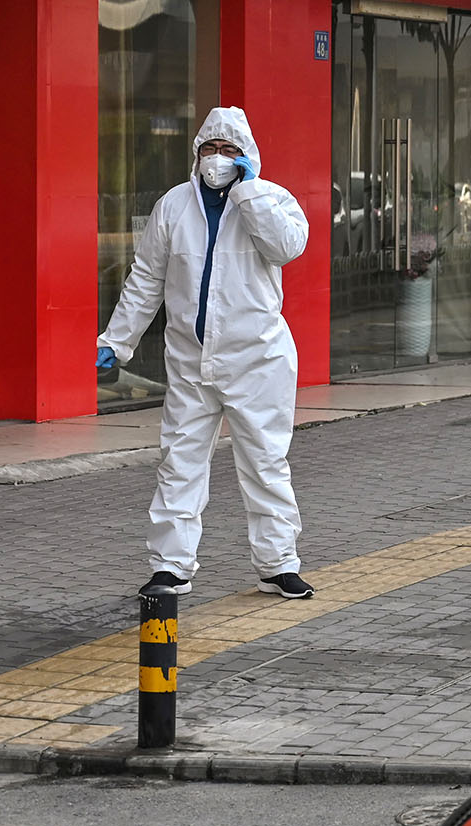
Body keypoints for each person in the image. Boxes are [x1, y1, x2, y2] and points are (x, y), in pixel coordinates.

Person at [97, 106, 314, 601]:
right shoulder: (173, 206)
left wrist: (248, 191)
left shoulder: (271, 199)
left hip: (258, 360)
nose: (218, 159)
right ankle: (171, 566)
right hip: (191, 361)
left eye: (229, 150)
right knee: (179, 463)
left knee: (265, 462)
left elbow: (287, 248)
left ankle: (278, 563)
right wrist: (117, 341)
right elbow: (147, 277)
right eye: (210, 150)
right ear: (195, 156)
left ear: (248, 157)